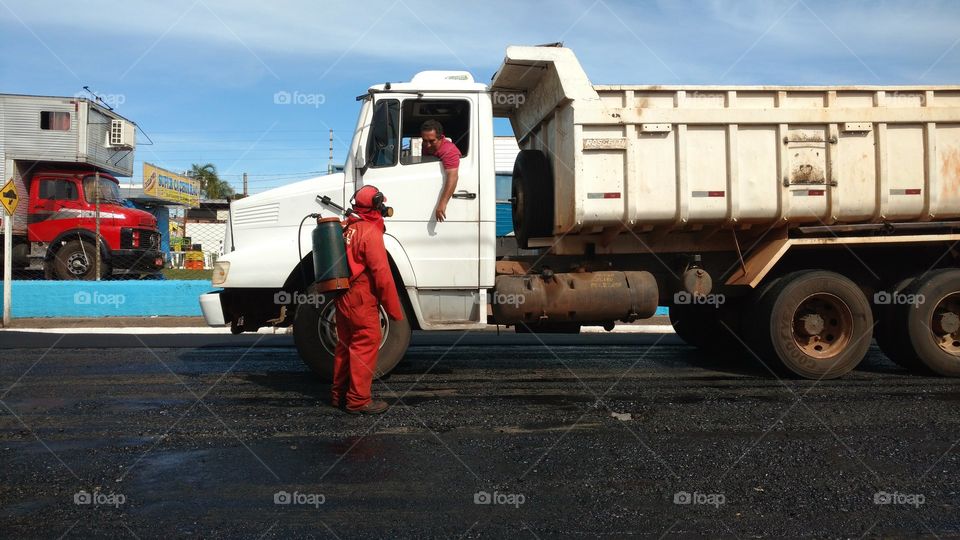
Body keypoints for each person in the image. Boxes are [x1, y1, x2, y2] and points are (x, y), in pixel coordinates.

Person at [331, 185, 405, 415]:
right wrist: (394, 311)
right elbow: (382, 275)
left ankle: (338, 395)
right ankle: (358, 401)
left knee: (345, 345)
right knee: (364, 345)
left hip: (342, 295)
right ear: (375, 205)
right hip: (361, 298)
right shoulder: (369, 232)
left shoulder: (345, 228)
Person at [420, 119, 461, 222]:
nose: (427, 145)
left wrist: (442, 204)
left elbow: (453, 176)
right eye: (424, 140)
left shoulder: (449, 150)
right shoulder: (426, 146)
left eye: (431, 141)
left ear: (440, 138)